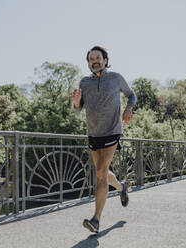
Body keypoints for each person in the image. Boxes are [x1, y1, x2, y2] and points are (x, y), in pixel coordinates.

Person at [72, 46, 137, 233]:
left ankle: (96, 220)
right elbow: (78, 109)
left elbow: (131, 94)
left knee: (100, 172)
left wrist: (129, 108)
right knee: (103, 173)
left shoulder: (116, 78)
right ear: (88, 63)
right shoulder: (84, 83)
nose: (95, 61)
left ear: (106, 60)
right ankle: (121, 187)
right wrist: (76, 104)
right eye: (91, 58)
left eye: (98, 57)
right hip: (93, 133)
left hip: (112, 131)